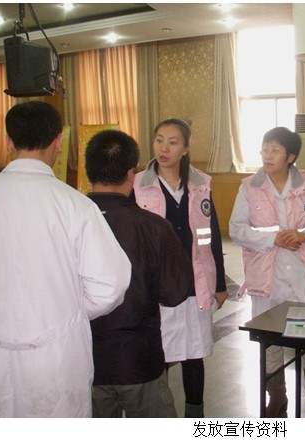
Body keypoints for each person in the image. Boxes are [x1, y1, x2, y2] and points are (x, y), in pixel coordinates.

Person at [0, 101, 131, 418]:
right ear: (57, 143)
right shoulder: (75, 206)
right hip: (57, 355)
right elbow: (111, 285)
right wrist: (69, 311)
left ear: (9, 143)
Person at [229, 127, 305, 418]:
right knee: (270, 339)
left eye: (275, 150)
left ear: (290, 157)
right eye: (265, 149)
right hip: (267, 276)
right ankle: (277, 397)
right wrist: (273, 239)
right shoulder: (249, 187)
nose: (267, 155)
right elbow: (236, 229)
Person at [85, 129, 194, 417]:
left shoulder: (65, 222)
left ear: (88, 171)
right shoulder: (153, 227)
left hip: (83, 362)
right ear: (131, 174)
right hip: (139, 360)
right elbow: (174, 293)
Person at [133, 118, 228, 418]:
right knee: (159, 354)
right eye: (159, 140)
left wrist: (220, 284)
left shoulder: (200, 185)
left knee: (194, 354)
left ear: (185, 149)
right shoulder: (138, 185)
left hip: (195, 282)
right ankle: (159, 416)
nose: (163, 148)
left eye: (172, 142)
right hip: (158, 287)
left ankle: (194, 417)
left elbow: (212, 235)